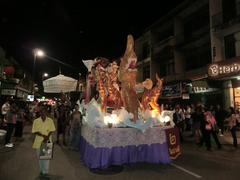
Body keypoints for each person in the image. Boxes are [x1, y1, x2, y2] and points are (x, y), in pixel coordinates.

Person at [32, 106, 56, 177]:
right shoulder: (36, 121)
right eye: (41, 112)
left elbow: (52, 130)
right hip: (38, 141)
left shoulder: (50, 120)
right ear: (39, 113)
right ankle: (41, 171)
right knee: (40, 157)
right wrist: (43, 136)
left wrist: (47, 137)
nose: (43, 113)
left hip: (47, 141)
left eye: (44, 112)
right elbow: (34, 131)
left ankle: (46, 172)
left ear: (46, 113)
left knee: (46, 158)